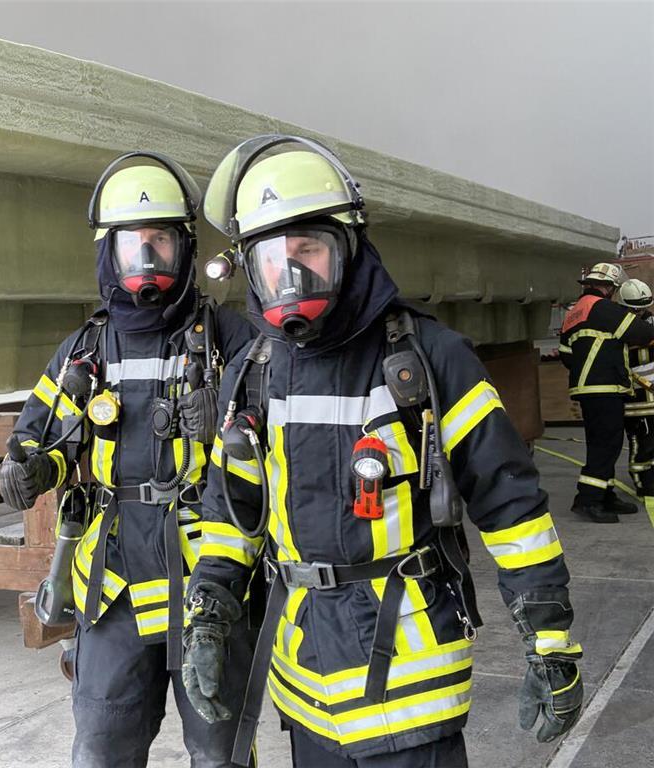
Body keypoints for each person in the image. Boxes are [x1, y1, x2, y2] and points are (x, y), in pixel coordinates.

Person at [181, 135, 585, 767]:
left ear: (348, 246)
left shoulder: (429, 358)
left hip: (410, 681)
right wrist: (209, 607)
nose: (291, 274)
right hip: (304, 679)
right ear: (247, 268)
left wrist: (550, 638)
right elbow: (230, 510)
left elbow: (511, 505)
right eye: (270, 257)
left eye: (308, 249)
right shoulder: (252, 372)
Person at [0, 152, 257, 767]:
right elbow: (41, 440)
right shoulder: (82, 351)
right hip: (110, 586)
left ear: (186, 250)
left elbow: (270, 449)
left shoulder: (229, 339)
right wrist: (30, 469)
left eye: (160, 244)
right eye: (133, 246)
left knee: (221, 753)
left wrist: (220, 416)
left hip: (207, 584)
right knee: (101, 750)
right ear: (108, 254)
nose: (146, 262)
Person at [559, 263, 654, 522]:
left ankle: (605, 494)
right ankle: (588, 499)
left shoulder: (573, 313)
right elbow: (642, 333)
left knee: (604, 443)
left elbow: (566, 356)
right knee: (605, 445)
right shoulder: (601, 308)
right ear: (609, 287)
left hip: (587, 388)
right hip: (605, 387)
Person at [619, 277, 654, 527]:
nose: (640, 313)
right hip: (635, 402)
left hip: (651, 399)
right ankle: (644, 484)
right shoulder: (620, 329)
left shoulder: (649, 325)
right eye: (635, 309)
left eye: (643, 308)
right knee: (642, 444)